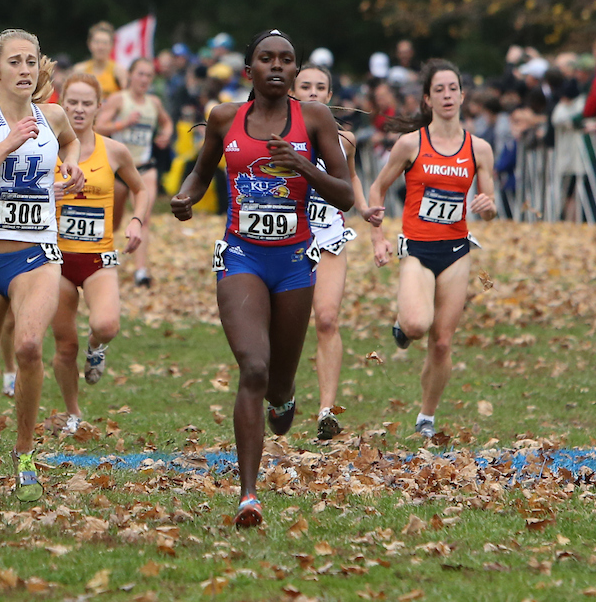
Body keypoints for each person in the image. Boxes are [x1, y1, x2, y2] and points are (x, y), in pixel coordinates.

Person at [171, 29, 353, 528]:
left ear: (296, 72)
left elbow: (345, 196)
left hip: (294, 261)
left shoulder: (314, 119)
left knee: (277, 384)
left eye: (286, 60)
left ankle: (285, 396)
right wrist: (186, 197)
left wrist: (303, 166)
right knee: (252, 367)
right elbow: (201, 172)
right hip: (241, 256)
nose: (277, 66)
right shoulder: (225, 118)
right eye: (266, 59)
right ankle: (249, 495)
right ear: (248, 71)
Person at [0, 29, 83, 502]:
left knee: (28, 347)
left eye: (32, 62)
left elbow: (70, 142)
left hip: (37, 255)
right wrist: (6, 145)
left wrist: (71, 166)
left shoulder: (53, 116)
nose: (26, 70)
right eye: (15, 63)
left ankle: (24, 455)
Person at [365, 60, 497, 440]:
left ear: (462, 94)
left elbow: (489, 204)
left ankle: (426, 417)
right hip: (418, 249)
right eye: (438, 90)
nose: (447, 95)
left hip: (457, 250)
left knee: (442, 342)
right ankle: (402, 323)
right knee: (418, 326)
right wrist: (378, 236)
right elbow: (377, 189)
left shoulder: (479, 148)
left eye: (452, 88)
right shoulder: (411, 144)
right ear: (427, 98)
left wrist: (488, 208)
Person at [52, 73, 152, 432]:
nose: (78, 109)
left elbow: (141, 189)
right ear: (61, 105)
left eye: (86, 103)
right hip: (56, 260)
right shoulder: (47, 148)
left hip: (98, 258)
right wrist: (49, 194)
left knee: (106, 324)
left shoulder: (114, 150)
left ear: (98, 107)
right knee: (65, 346)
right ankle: (73, 412)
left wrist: (137, 221)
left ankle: (97, 348)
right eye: (72, 102)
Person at [291, 64, 371, 440]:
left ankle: (326, 410)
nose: (312, 93)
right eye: (305, 86)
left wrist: (364, 205)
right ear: (292, 89)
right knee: (284, 327)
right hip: (287, 239)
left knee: (326, 319)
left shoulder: (346, 140)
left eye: (320, 87)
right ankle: (281, 393)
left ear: (329, 95)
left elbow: (350, 177)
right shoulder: (276, 135)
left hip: (329, 235)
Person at [95, 57, 171, 287]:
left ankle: (141, 272)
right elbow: (98, 126)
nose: (145, 79)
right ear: (130, 75)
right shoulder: (120, 99)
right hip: (119, 170)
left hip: (145, 167)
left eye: (149, 75)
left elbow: (167, 122)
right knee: (115, 222)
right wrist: (123, 124)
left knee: (143, 218)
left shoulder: (154, 103)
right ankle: (104, 258)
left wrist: (165, 134)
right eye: (140, 74)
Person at [74, 21, 123, 98]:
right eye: (97, 42)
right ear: (89, 44)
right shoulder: (80, 70)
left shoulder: (118, 71)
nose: (101, 47)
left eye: (105, 43)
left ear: (112, 46)